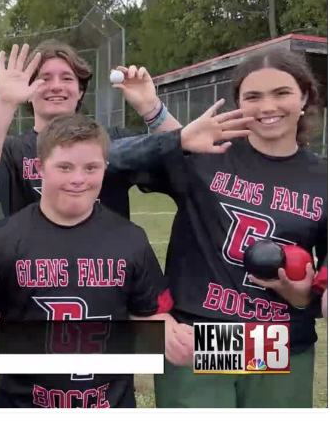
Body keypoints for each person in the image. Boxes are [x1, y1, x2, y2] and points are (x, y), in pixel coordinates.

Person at [0, 110, 251, 408]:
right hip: (21, 403)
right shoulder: (4, 238)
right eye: (65, 167)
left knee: (274, 350)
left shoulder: (129, 238)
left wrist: (176, 338)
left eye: (91, 167)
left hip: (111, 403)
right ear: (40, 168)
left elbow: (151, 316)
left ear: (105, 168)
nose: (78, 179)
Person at [120, 47, 327, 408]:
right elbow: (105, 161)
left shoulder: (322, 178)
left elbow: (321, 281)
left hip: (278, 338)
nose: (267, 107)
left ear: (305, 96)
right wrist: (157, 117)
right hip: (201, 333)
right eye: (253, 96)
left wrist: (303, 293)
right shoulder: (209, 156)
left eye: (281, 93)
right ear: (237, 103)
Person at [0, 40, 183, 220]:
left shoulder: (113, 141)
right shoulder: (13, 150)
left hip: (104, 272)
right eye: (44, 79)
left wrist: (150, 108)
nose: (56, 86)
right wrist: (4, 102)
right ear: (28, 92)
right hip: (31, 272)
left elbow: (192, 165)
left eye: (67, 78)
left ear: (80, 91)